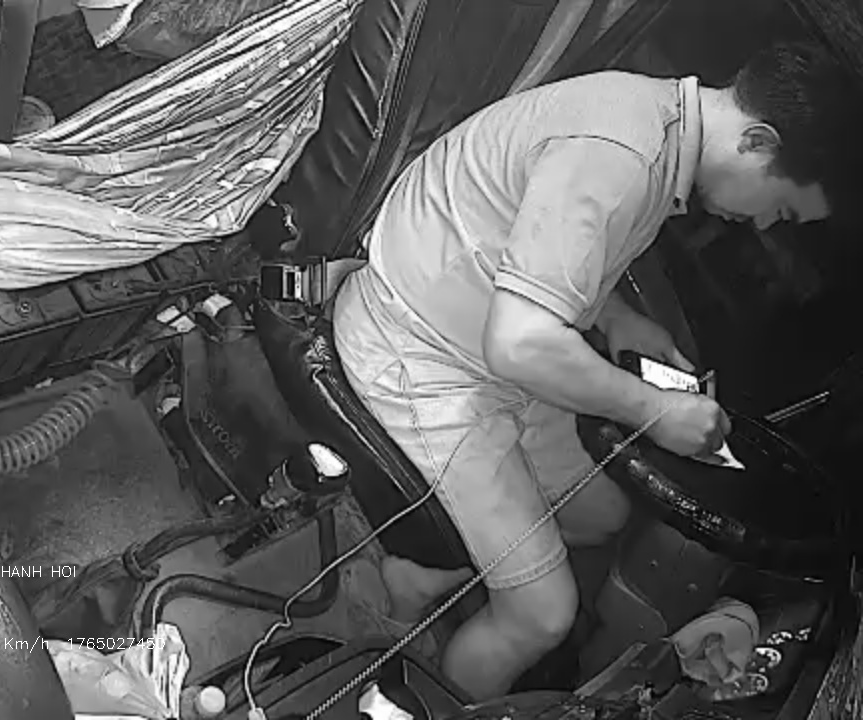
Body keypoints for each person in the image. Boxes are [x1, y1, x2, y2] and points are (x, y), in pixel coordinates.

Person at [332, 41, 862, 700]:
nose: (760, 225)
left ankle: (423, 577)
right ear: (757, 142)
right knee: (542, 615)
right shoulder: (623, 156)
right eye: (778, 207)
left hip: (480, 340)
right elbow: (520, 344)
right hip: (418, 348)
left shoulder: (655, 126)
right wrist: (654, 410)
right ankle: (417, 698)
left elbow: (538, 249)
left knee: (602, 513)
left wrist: (615, 319)